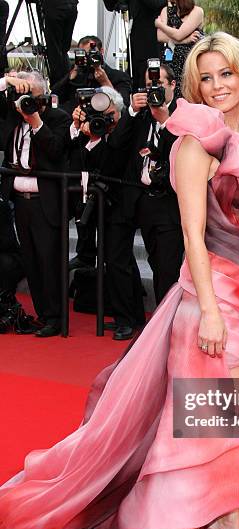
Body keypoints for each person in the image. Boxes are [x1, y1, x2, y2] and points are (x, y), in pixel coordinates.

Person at [0, 32, 239, 529]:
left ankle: (220, 528)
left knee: (232, 424)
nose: (217, 86)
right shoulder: (191, 145)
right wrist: (207, 309)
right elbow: (191, 235)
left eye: (225, 74)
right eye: (204, 77)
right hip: (211, 299)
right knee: (203, 427)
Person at [69, 87, 146, 340]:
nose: (108, 119)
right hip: (103, 204)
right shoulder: (96, 133)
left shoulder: (128, 128)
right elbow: (84, 161)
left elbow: (113, 155)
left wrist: (104, 132)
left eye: (112, 113)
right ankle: (132, 316)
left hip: (122, 205)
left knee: (116, 262)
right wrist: (83, 130)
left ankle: (126, 319)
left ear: (120, 111)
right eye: (103, 114)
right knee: (120, 262)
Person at [108, 62, 184, 310]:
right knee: (154, 262)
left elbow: (179, 153)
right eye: (150, 85)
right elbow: (116, 143)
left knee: (167, 269)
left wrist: (165, 121)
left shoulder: (183, 115)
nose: (154, 90)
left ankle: (167, 326)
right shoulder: (138, 115)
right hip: (141, 200)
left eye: (160, 84)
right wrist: (130, 109)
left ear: (173, 85)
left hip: (168, 203)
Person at [0, 70, 71, 338]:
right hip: (19, 202)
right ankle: (43, 314)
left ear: (44, 96)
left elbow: (55, 150)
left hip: (46, 203)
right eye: (23, 94)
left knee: (49, 260)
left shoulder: (58, 118)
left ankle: (55, 317)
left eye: (32, 95)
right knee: (30, 260)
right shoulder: (12, 114)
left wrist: (36, 121)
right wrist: (7, 83)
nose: (26, 100)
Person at [51, 35, 132, 117]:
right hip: (75, 120)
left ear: (101, 52)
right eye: (83, 54)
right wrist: (71, 75)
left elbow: (124, 108)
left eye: (91, 53)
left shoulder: (119, 76)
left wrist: (105, 82)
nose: (88, 58)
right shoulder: (76, 76)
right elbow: (54, 98)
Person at [155, 0, 204, 98]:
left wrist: (160, 25)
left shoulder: (197, 11)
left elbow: (179, 35)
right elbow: (160, 37)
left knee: (189, 91)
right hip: (171, 59)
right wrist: (185, 40)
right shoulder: (166, 11)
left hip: (189, 59)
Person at [127, 0, 167, 88]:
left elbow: (156, 4)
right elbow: (111, 5)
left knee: (149, 79)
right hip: (135, 41)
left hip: (151, 43)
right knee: (135, 80)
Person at [40, 0, 79, 85]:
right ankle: (66, 83)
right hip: (71, 6)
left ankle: (59, 86)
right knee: (63, 49)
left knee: (55, 51)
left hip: (54, 7)